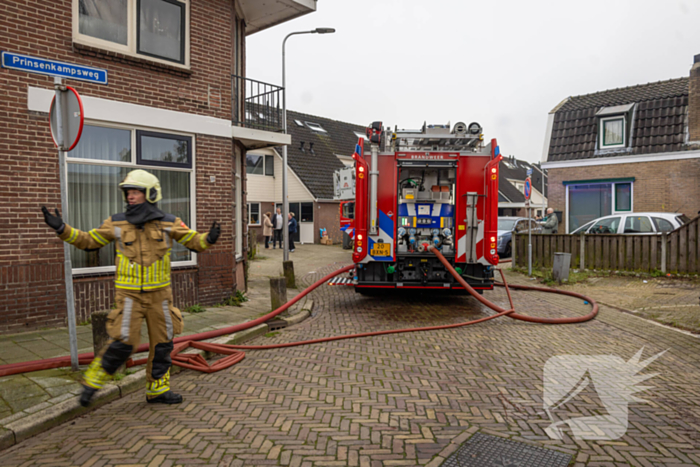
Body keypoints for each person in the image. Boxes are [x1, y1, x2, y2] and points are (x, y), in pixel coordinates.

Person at [41, 169, 220, 407]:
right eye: (128, 192)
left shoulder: (169, 222)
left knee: (163, 344)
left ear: (151, 194)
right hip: (129, 296)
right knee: (123, 342)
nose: (130, 197)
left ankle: (158, 391)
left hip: (160, 296)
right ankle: (91, 384)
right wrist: (62, 229)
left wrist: (209, 239)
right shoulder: (117, 223)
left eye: (136, 192)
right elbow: (89, 240)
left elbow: (192, 241)